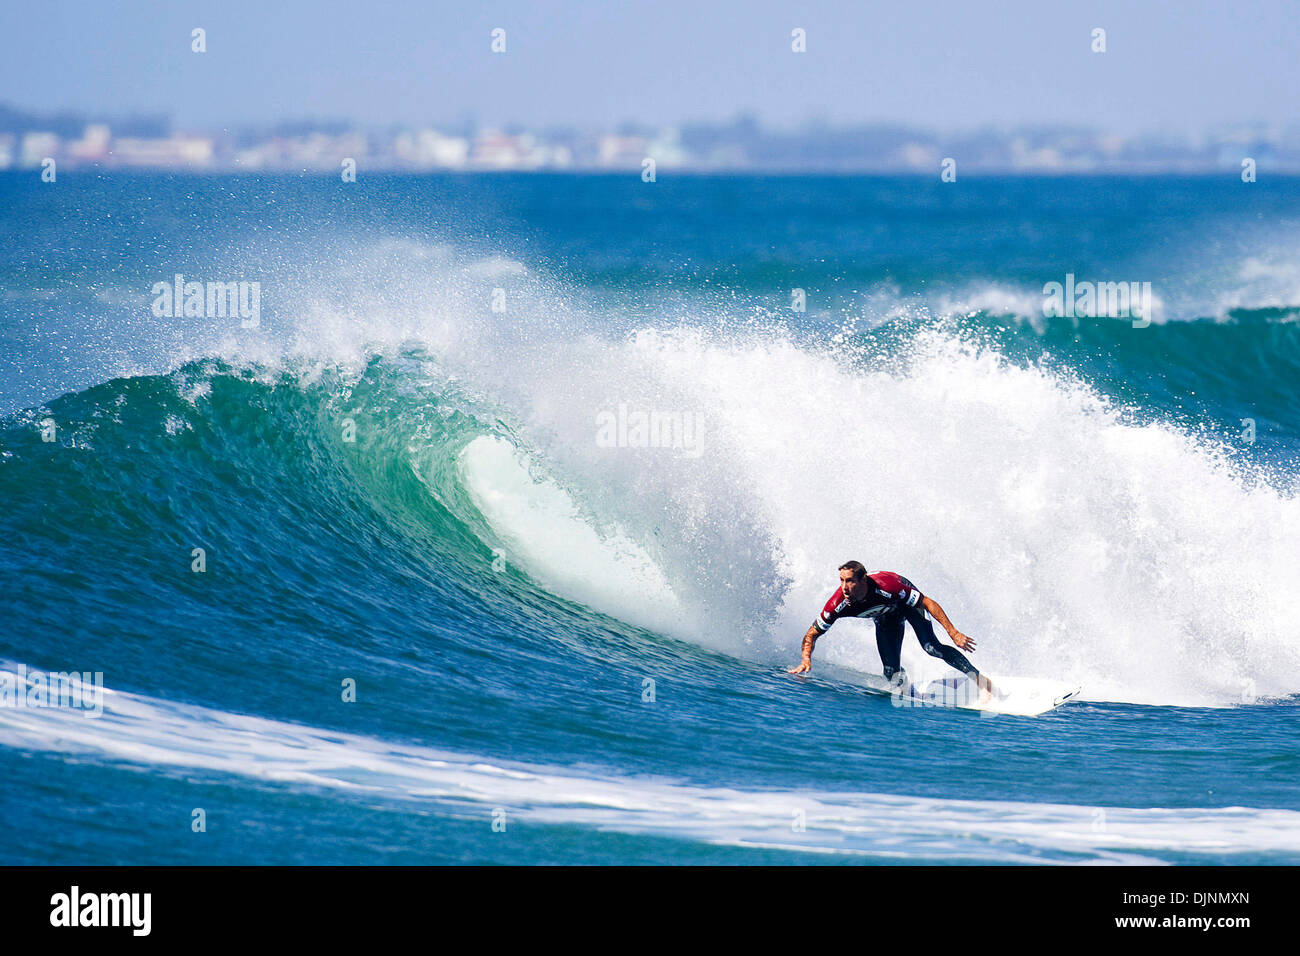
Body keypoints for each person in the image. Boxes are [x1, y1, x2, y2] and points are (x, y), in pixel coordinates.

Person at [788, 560, 995, 700]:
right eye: (841, 581)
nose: (844, 587)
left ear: (862, 580)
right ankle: (910, 694)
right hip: (886, 616)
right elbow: (812, 633)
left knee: (932, 648)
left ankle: (981, 681)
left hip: (906, 604)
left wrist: (953, 632)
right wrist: (806, 658)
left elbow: (927, 602)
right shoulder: (838, 604)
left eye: (849, 581)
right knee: (890, 672)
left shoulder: (887, 587)